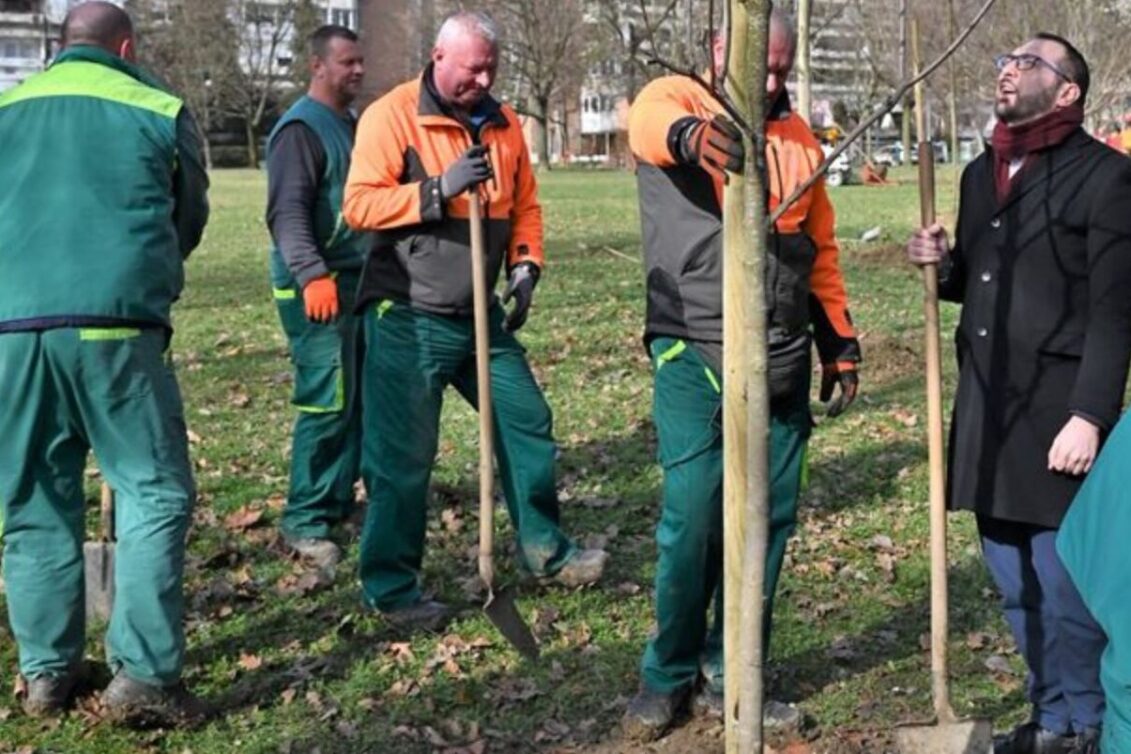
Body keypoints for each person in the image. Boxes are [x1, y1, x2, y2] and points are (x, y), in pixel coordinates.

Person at [622, 10, 861, 740]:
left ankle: (734, 671)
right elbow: (648, 126)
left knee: (768, 523)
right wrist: (694, 138)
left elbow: (818, 249)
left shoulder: (796, 139)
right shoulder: (674, 98)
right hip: (693, 347)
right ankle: (667, 672)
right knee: (693, 515)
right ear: (720, 47)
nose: (771, 79)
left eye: (783, 68)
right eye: (761, 63)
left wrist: (838, 339)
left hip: (781, 350)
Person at [342, 11, 607, 631]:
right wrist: (436, 190)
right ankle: (391, 586)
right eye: (472, 67)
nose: (482, 78)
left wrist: (525, 266)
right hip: (406, 314)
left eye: (490, 67)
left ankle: (546, 551)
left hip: (478, 316)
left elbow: (527, 207)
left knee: (527, 423)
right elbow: (358, 206)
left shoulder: (504, 122)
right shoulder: (392, 116)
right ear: (439, 57)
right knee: (403, 457)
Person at [906, 33, 1131, 754]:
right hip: (986, 410)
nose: (1008, 68)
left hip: (1057, 411)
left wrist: (1090, 415)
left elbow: (1113, 309)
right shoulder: (980, 174)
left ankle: (1088, 722)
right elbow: (977, 278)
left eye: (1029, 62)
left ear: (1067, 90)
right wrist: (936, 266)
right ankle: (1050, 717)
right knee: (1010, 579)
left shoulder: (1105, 178)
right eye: (1007, 59)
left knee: (1064, 586)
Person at [0, 2, 209, 726]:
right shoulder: (157, 105)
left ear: (59, 48)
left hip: (11, 331)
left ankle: (47, 674)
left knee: (33, 498)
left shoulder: (6, 106)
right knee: (153, 490)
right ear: (124, 46)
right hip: (115, 326)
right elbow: (188, 218)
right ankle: (146, 677)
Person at [266, 25, 369, 570]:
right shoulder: (300, 130)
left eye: (360, 62)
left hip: (353, 280)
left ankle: (335, 501)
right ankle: (305, 519)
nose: (357, 70)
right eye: (346, 62)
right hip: (316, 284)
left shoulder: (347, 124)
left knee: (355, 399)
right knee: (326, 400)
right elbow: (286, 213)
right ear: (318, 67)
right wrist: (311, 275)